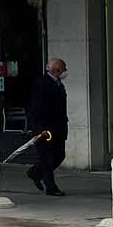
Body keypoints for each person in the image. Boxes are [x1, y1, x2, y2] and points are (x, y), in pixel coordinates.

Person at [28, 57, 68, 197]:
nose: (65, 72)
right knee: (46, 158)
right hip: (45, 129)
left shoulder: (58, 84)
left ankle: (35, 172)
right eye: (64, 69)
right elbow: (36, 109)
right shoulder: (42, 84)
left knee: (59, 155)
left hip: (59, 127)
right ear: (57, 70)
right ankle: (51, 187)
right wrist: (40, 130)